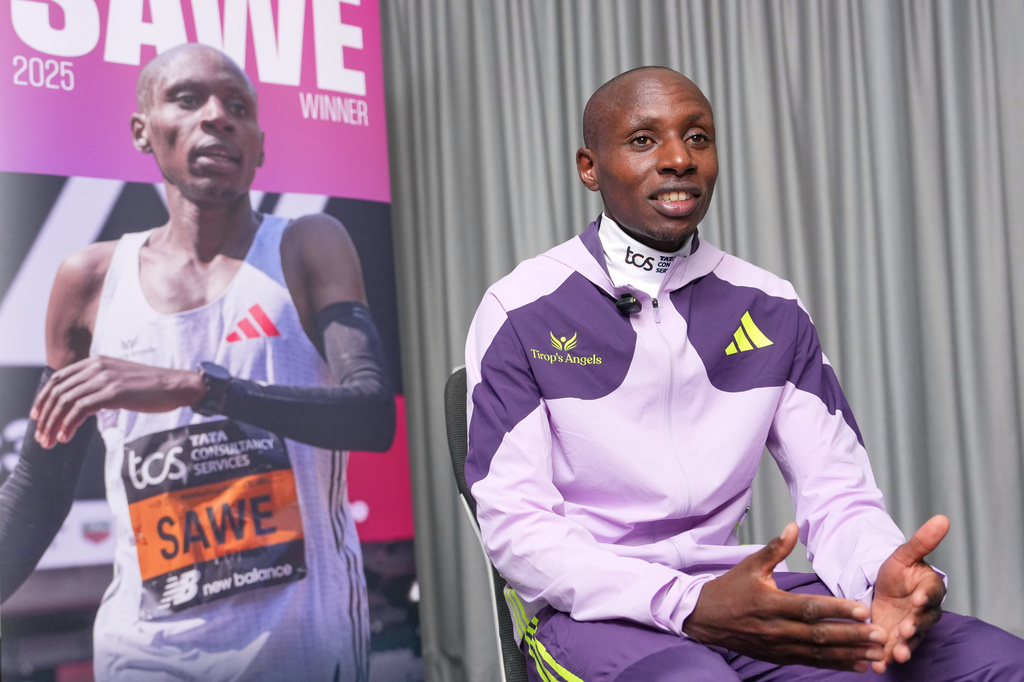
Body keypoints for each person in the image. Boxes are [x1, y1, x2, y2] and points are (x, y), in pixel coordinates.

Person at [464, 66, 1024, 681]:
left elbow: (837, 494)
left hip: (741, 595)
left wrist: (882, 573)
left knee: (999, 664)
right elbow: (517, 527)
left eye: (698, 137)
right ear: (589, 167)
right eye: (644, 140)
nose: (679, 157)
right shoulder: (519, 308)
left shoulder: (769, 304)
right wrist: (688, 605)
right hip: (595, 617)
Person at [0, 43, 395, 681]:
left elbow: (372, 415)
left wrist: (194, 386)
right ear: (142, 131)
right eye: (187, 99)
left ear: (261, 147)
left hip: (300, 646)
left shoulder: (305, 246)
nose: (217, 117)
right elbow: (38, 493)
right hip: (146, 651)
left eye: (237, 106)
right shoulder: (90, 280)